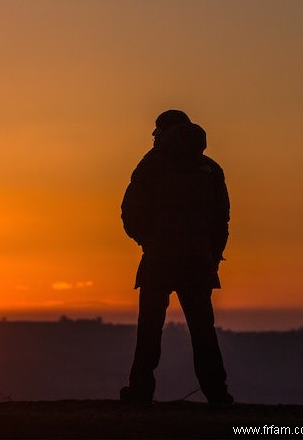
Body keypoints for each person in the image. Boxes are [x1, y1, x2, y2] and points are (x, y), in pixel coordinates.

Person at [120, 110, 233, 408]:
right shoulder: (208, 168)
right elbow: (222, 218)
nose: (154, 137)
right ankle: (218, 395)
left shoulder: (152, 165)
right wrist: (211, 254)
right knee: (203, 331)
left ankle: (140, 392)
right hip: (198, 261)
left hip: (158, 259)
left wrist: (149, 241)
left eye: (157, 131)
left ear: (164, 132)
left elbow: (130, 212)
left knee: (149, 330)